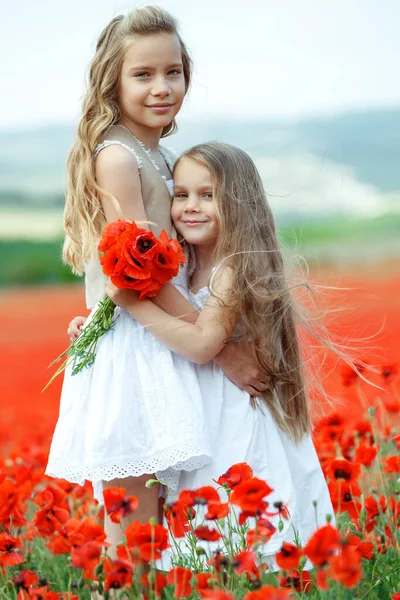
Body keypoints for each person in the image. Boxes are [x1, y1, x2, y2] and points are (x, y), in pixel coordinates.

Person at [45, 8, 267, 557]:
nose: (162, 88)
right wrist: (222, 349)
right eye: (143, 75)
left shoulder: (159, 153)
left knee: (162, 542)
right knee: (134, 544)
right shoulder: (119, 157)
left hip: (167, 341)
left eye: (174, 72)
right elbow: (139, 272)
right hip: (142, 351)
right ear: (112, 81)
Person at [107, 142, 335, 564]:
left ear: (239, 202)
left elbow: (201, 345)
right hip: (202, 414)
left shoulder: (234, 266)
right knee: (209, 530)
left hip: (234, 416)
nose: (191, 207)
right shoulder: (185, 264)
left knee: (243, 525)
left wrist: (132, 303)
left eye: (207, 196)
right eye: (182, 195)